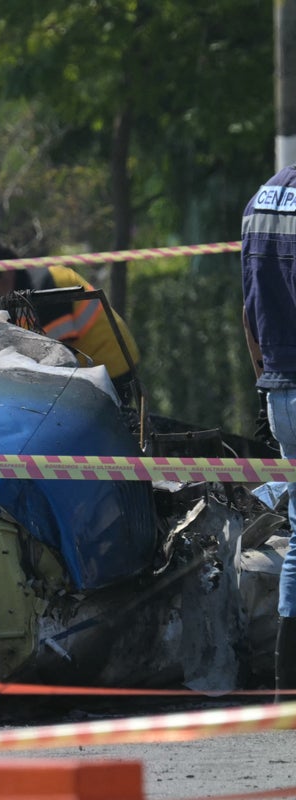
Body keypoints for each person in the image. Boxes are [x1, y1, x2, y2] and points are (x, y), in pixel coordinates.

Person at [241, 168, 296, 691]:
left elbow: (248, 309)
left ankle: (287, 681)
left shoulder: (265, 197)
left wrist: (266, 382)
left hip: (279, 385)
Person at [0, 238, 141, 394]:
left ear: (4, 270)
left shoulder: (45, 286)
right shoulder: (18, 294)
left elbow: (58, 354)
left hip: (110, 364)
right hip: (92, 370)